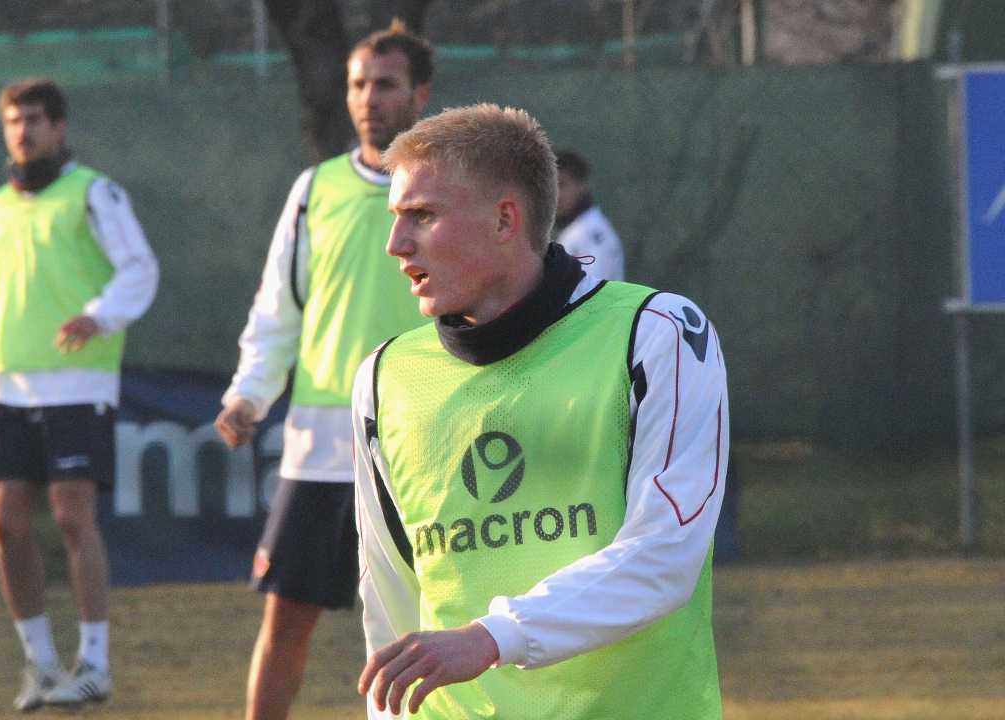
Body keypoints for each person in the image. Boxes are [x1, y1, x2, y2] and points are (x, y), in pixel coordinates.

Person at [352, 104, 729, 718]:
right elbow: (390, 596)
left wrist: (493, 638)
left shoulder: (657, 332)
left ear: (505, 220)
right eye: (396, 218)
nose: (396, 244)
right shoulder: (384, 376)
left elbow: (665, 555)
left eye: (421, 216)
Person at [212, 20, 433, 720]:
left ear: (420, 93)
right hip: (319, 452)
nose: (369, 99)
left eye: (386, 84)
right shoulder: (314, 189)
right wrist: (249, 395)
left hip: (419, 447)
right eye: (359, 84)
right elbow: (277, 311)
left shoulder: (448, 188)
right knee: (285, 622)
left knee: (419, 631)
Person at [0, 78, 158, 712]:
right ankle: (40, 664)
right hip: (10, 386)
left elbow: (140, 267)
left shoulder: (94, 193)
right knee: (5, 523)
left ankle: (94, 663)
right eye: (15, 121)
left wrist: (99, 315)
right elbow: (0, 292)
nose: (25, 131)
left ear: (59, 127)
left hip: (78, 382)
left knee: (74, 519)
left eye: (37, 120)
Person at [554, 149, 624, 282]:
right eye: (550, 186)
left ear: (581, 186)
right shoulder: (576, 230)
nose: (555, 194)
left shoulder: (590, 233)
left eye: (561, 185)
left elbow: (594, 291)